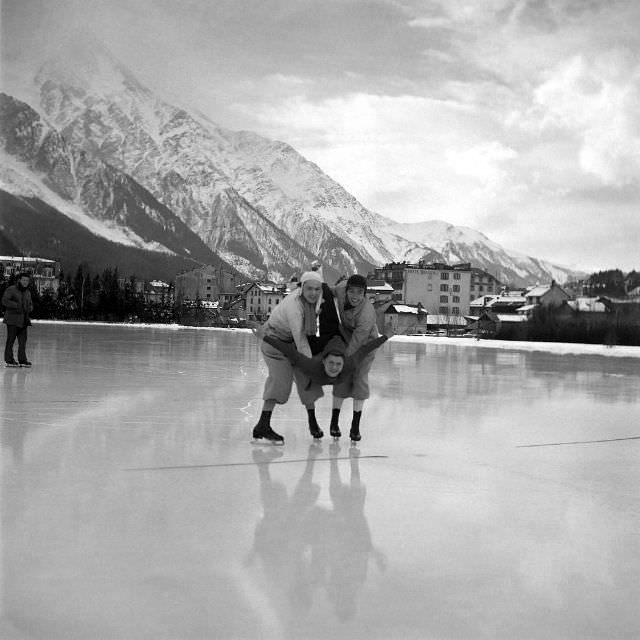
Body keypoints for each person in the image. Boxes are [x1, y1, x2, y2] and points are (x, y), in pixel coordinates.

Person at [252, 270, 327, 444]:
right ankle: (262, 425)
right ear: (302, 288)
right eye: (309, 289)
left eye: (317, 289)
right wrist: (312, 366)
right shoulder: (295, 308)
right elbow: (301, 341)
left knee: (306, 382)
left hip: (290, 342)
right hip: (274, 343)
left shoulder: (314, 302)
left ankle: (312, 422)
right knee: (280, 383)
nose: (313, 293)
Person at [252, 325, 391, 388]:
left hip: (330, 340)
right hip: (336, 338)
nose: (334, 368)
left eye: (337, 364)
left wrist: (265, 337)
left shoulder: (347, 364)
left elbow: (289, 351)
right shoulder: (348, 364)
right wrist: (386, 336)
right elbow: (367, 348)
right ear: (324, 361)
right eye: (332, 363)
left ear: (343, 364)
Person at [329, 274, 379, 442]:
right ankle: (334, 422)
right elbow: (329, 291)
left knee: (359, 378)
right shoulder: (341, 288)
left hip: (365, 343)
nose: (355, 296)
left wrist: (346, 359)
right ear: (347, 289)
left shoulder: (367, 313)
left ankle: (355, 426)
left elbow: (358, 341)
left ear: (364, 293)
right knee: (342, 377)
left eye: (360, 292)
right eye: (352, 291)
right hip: (346, 334)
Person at [2, 272, 34, 368]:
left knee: (22, 342)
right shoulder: (11, 289)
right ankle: (9, 360)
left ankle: (22, 360)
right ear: (19, 280)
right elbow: (4, 301)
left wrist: (30, 308)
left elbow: (30, 305)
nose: (25, 282)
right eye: (24, 280)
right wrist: (17, 305)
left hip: (24, 320)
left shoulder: (28, 292)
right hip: (12, 320)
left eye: (27, 280)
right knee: (10, 340)